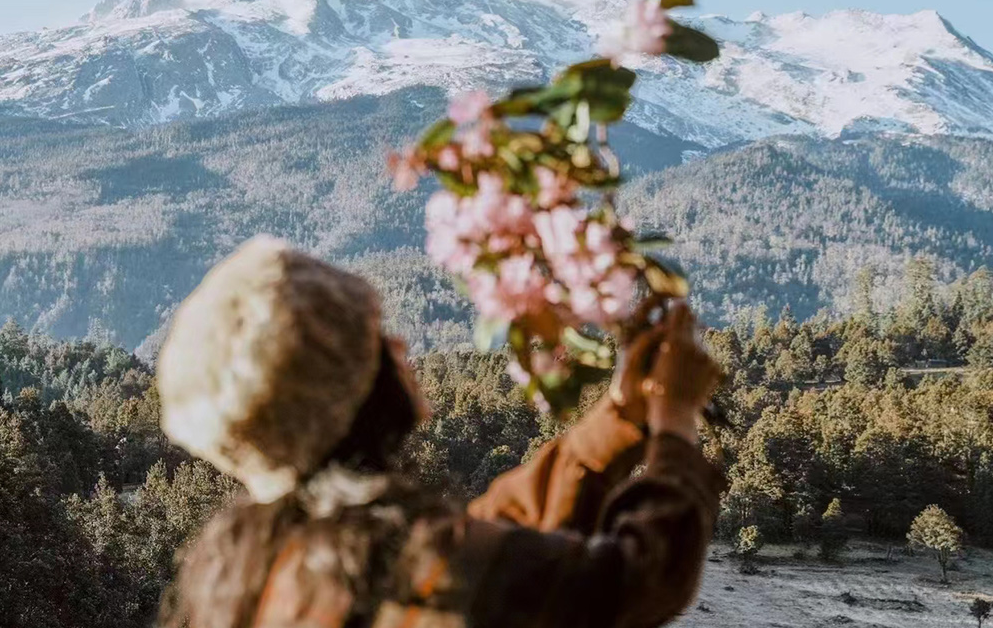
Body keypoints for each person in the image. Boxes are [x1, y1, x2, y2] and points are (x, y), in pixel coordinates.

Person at [155, 236, 724, 628]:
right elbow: (634, 578)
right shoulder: (415, 570)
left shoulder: (264, 562)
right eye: (375, 337)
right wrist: (674, 418)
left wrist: (621, 418)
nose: (401, 346)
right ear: (347, 389)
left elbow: (485, 532)